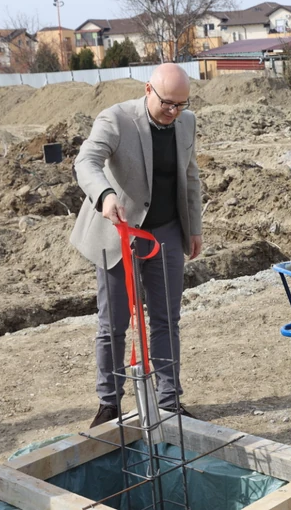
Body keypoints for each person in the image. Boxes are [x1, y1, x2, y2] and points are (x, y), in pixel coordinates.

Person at [71, 63, 202, 428]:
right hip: (119, 232)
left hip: (166, 233)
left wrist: (193, 228)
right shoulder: (116, 119)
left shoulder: (186, 123)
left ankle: (169, 402)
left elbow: (190, 176)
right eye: (167, 103)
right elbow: (86, 162)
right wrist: (105, 195)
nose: (173, 111)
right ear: (148, 90)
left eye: (181, 104)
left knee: (166, 319)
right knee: (113, 323)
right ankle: (109, 403)